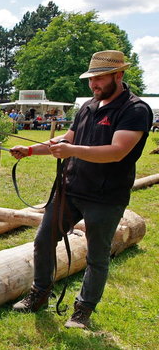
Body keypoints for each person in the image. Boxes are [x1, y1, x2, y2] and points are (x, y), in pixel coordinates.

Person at [9, 50, 152, 329]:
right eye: (91, 80)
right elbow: (67, 139)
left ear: (118, 75)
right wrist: (30, 150)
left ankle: (83, 310)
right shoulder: (88, 106)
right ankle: (40, 294)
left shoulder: (135, 110)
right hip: (71, 189)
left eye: (99, 79)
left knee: (97, 255)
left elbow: (117, 152)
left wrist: (71, 150)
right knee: (43, 241)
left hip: (106, 197)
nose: (94, 85)